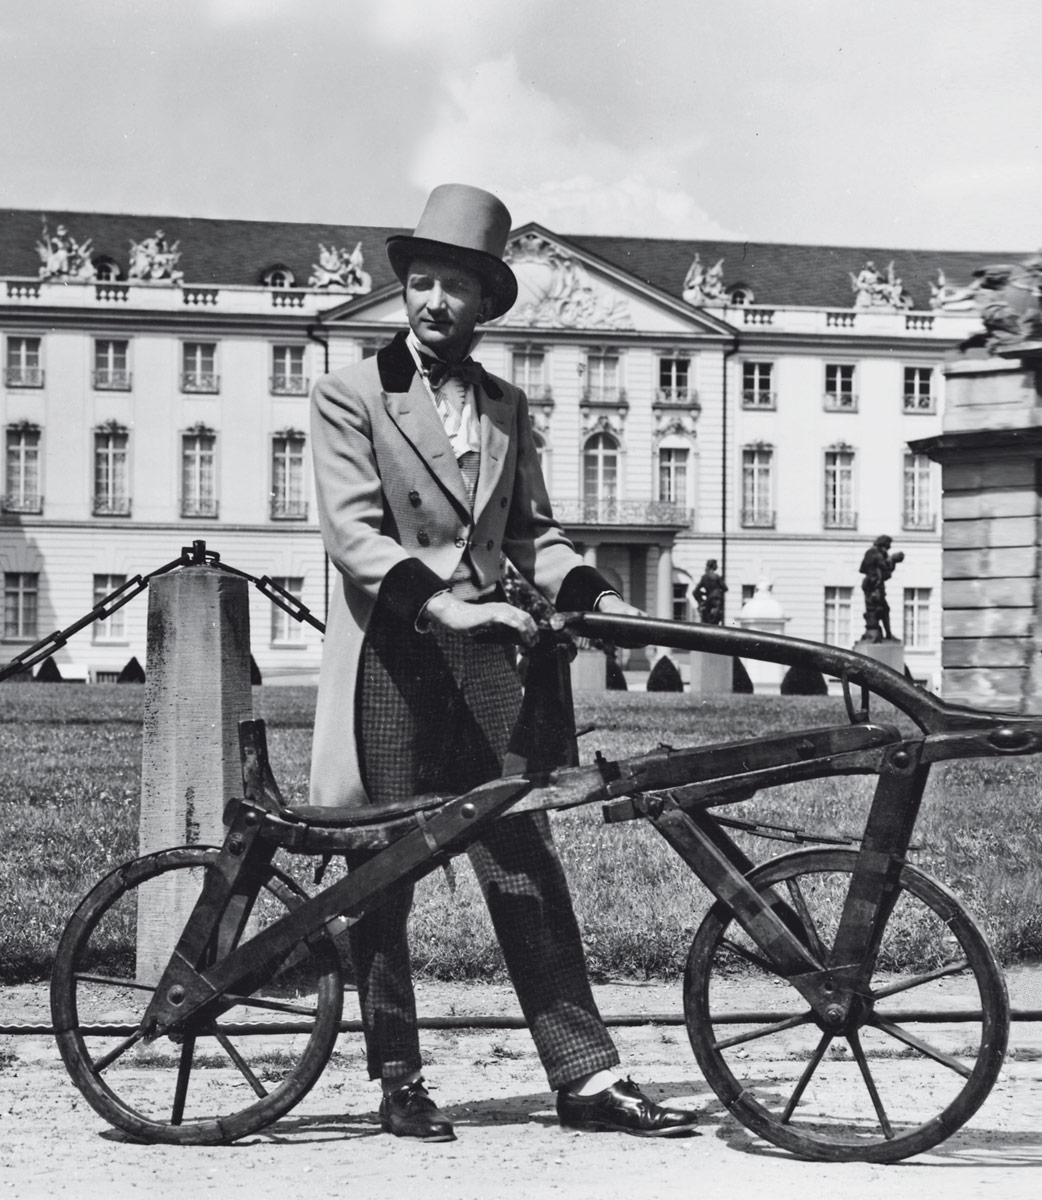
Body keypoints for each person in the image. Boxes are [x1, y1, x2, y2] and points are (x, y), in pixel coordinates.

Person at [309, 183, 697, 1144]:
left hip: (488, 666)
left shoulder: (507, 405)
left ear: (487, 303)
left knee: (524, 860)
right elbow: (353, 534)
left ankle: (586, 1078)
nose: (436, 301)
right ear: (407, 289)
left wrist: (596, 598)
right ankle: (399, 1077)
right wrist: (445, 601)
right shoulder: (349, 393)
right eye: (423, 281)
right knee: (382, 871)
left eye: (457, 286)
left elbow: (535, 532)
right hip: (393, 659)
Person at [692, 559, 727, 625]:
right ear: (714, 566)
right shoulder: (717, 577)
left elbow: (695, 592)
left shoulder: (704, 577)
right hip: (716, 602)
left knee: (707, 622)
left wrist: (701, 600)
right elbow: (725, 588)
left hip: (708, 601)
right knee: (715, 622)